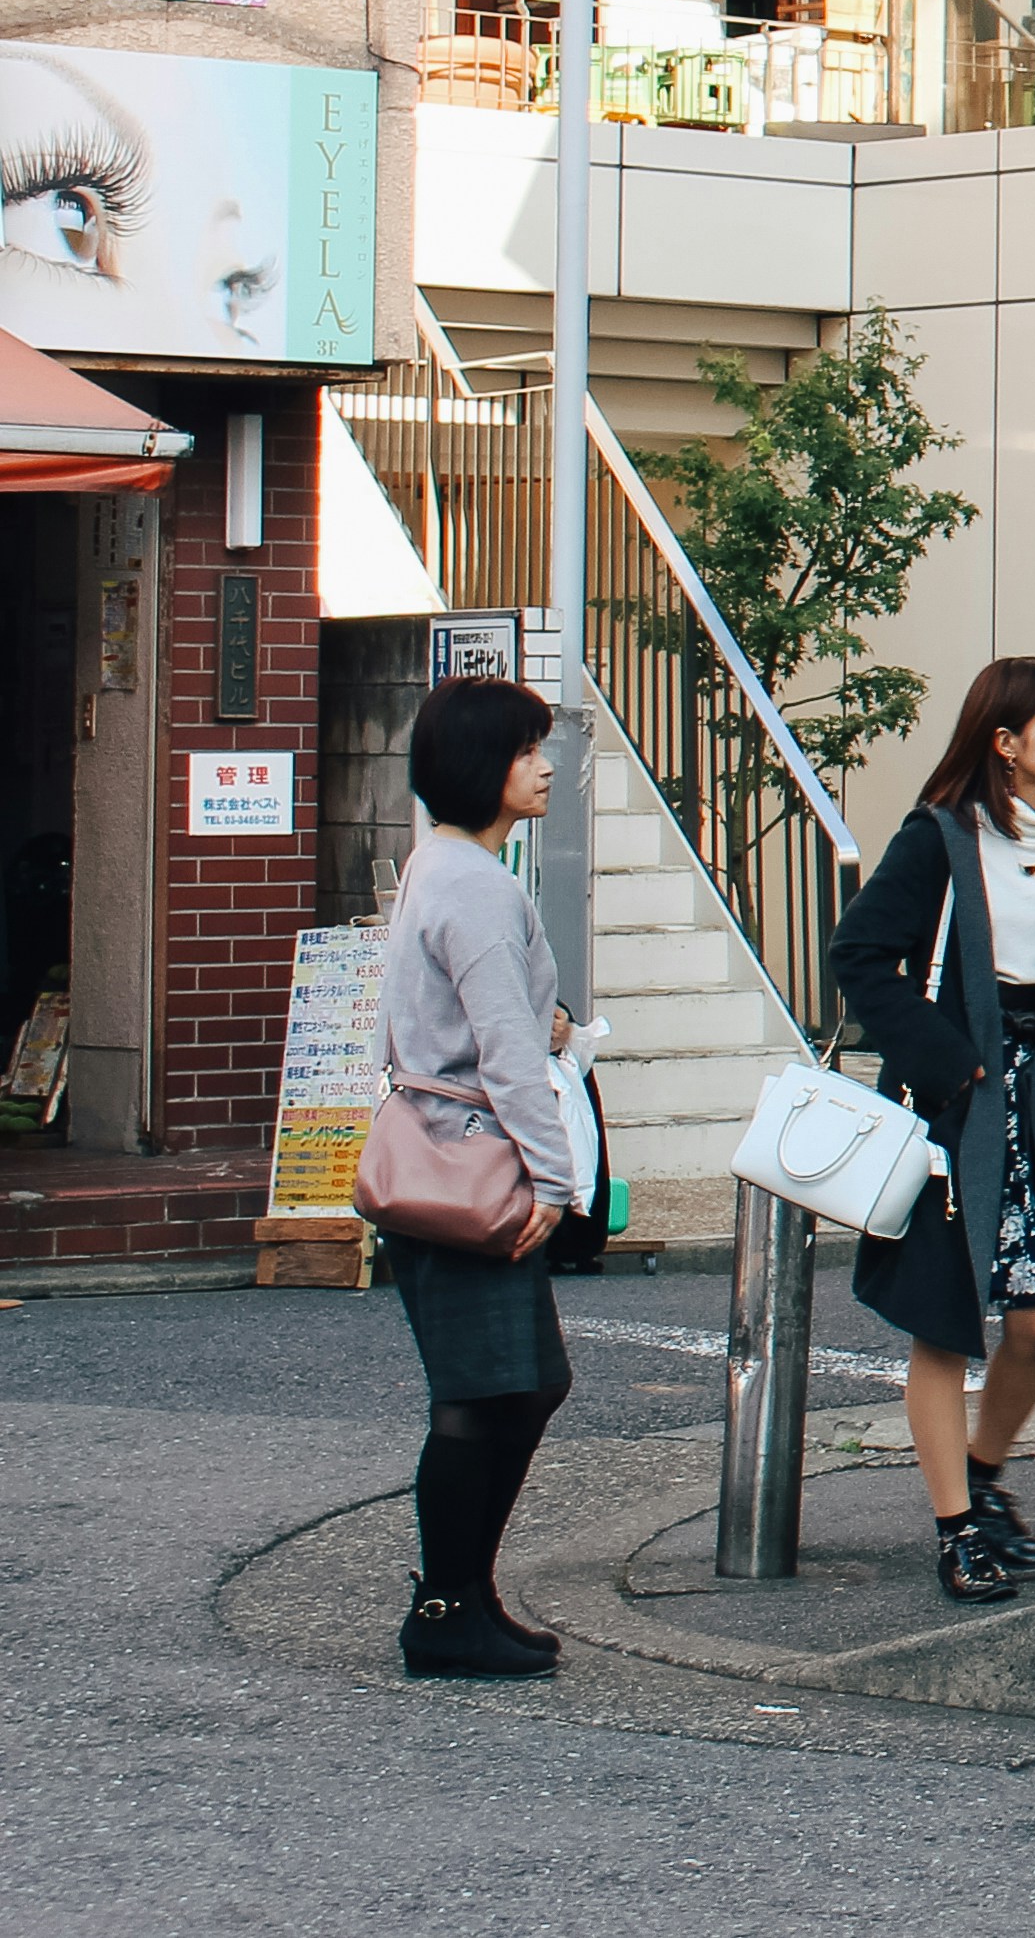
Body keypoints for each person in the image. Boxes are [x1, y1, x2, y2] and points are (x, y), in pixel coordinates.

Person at [830, 656, 1035, 1605]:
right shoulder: (939, 839)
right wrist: (950, 1060)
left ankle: (986, 1472)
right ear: (1006, 744)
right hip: (952, 1103)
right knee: (945, 1321)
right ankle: (956, 1526)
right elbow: (860, 956)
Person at [383, 674, 582, 1680]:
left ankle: (463, 1593)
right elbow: (503, 1053)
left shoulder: (437, 867)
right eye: (523, 751)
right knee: (494, 1392)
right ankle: (446, 1606)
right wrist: (553, 1180)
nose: (543, 766)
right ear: (481, 768)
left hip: (435, 1150)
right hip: (474, 1167)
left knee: (514, 1386)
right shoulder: (479, 887)